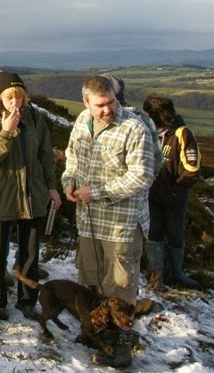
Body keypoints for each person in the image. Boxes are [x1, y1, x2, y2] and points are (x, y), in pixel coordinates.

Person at [62, 75, 156, 367]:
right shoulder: (81, 122)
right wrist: (69, 182)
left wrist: (98, 192)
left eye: (111, 102)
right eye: (100, 105)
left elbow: (142, 176)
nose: (107, 110)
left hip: (121, 225)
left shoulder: (134, 128)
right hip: (88, 223)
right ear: (86, 103)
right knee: (89, 281)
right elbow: (73, 158)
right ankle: (95, 333)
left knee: (119, 287)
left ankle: (122, 347)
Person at [0, 72, 60, 319]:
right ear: (0, 98)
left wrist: (52, 187)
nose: (15, 102)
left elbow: (45, 155)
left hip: (33, 194)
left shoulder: (35, 118)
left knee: (30, 252)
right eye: (9, 97)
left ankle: (27, 300)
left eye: (19, 97)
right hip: (1, 194)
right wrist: (6, 132)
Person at [142, 95, 202, 290]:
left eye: (149, 113)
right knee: (153, 234)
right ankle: (156, 276)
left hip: (175, 198)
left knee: (175, 235)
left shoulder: (182, 134)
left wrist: (178, 188)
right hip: (151, 197)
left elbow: (192, 168)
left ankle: (178, 273)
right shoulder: (146, 132)